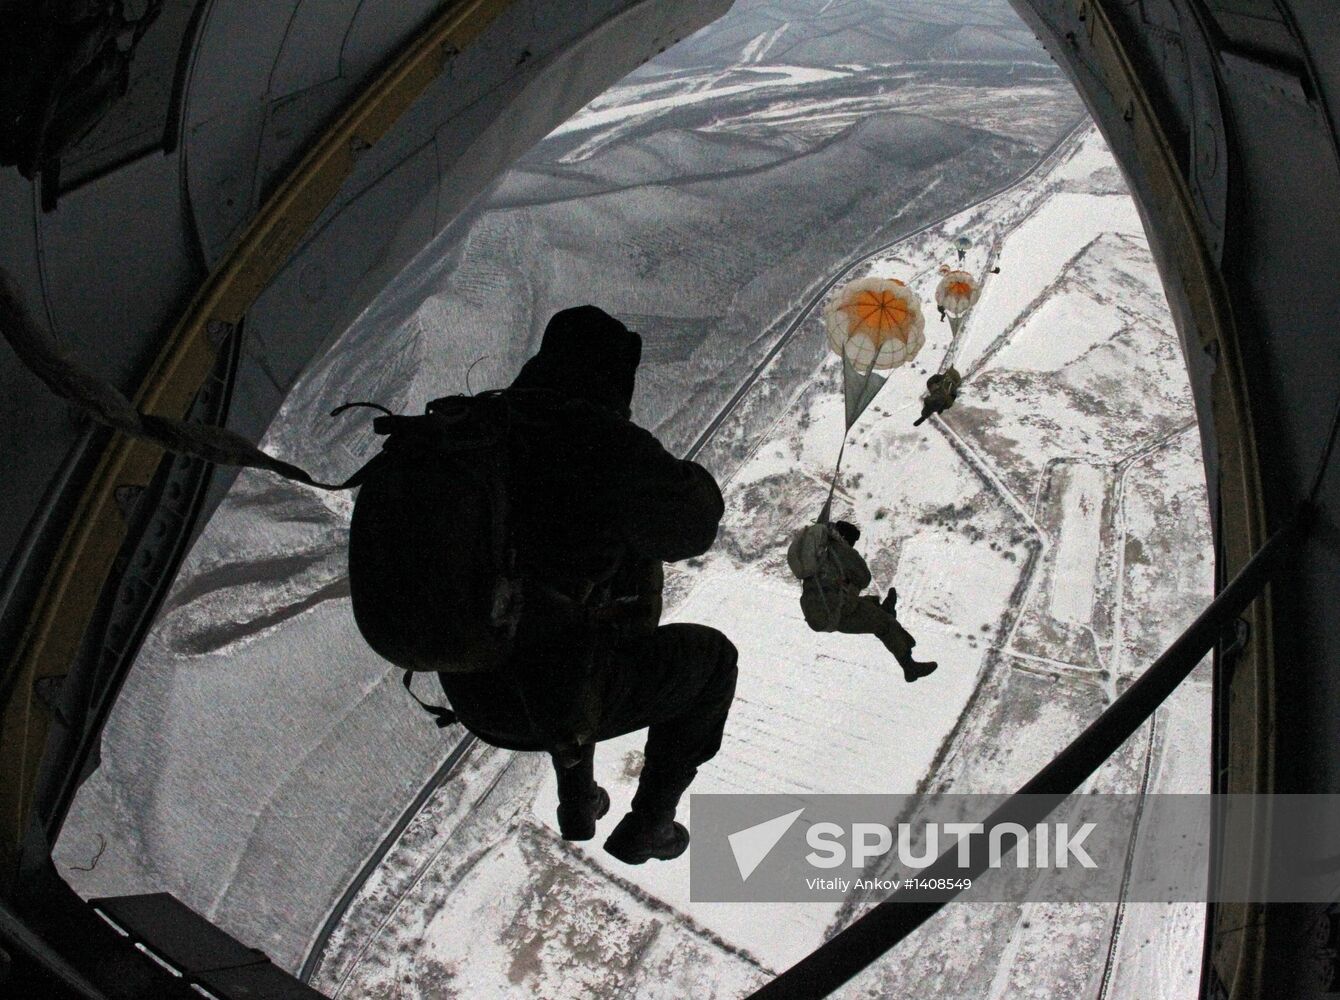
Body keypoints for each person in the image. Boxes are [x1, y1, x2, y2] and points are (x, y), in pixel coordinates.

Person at [436, 306, 738, 865]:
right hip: (542, 701)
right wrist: (673, 472)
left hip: (469, 682)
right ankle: (650, 823)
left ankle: (578, 803)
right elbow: (692, 528)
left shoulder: (473, 429)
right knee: (712, 662)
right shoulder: (598, 441)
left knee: (564, 614)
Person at [789, 519, 937, 682]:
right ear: (846, 538)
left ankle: (881, 608)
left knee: (869, 604)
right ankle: (910, 668)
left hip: (816, 611)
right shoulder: (841, 550)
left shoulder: (820, 551)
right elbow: (864, 577)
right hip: (837, 614)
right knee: (885, 624)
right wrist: (850, 576)